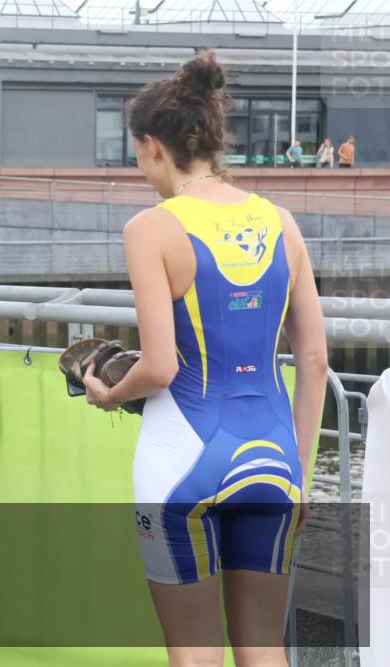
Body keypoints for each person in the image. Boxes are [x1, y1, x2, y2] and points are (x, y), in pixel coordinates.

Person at [81, 50, 327, 667]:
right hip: (274, 458)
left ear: (150, 145)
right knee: (263, 648)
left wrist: (109, 392)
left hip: (183, 458)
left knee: (194, 653)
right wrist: (299, 469)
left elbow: (160, 366)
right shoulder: (281, 223)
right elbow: (316, 360)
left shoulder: (150, 229)